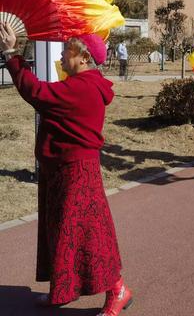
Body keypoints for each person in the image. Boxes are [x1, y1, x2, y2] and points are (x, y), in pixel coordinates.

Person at [0, 22, 132, 316]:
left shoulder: (82, 87)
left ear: (84, 57)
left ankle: (118, 289)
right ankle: (63, 288)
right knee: (60, 231)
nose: (61, 56)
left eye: (67, 50)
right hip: (62, 168)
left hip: (76, 172)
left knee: (88, 234)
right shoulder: (85, 84)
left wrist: (11, 52)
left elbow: (37, 93)